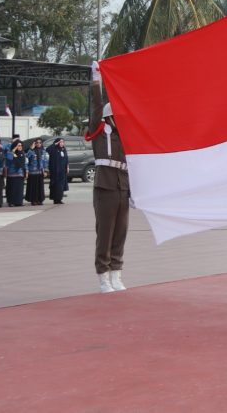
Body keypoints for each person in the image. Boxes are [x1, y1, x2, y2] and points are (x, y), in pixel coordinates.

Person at [87, 62, 130, 293]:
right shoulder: (100, 129)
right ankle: (103, 275)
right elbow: (96, 105)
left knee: (121, 232)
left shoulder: (126, 134)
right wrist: (96, 79)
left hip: (122, 185)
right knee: (105, 232)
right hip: (105, 185)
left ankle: (117, 272)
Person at [24, 138, 48, 206]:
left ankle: (40, 200)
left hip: (40, 172)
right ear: (34, 143)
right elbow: (26, 157)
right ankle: (33, 200)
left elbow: (45, 161)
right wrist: (31, 149)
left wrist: (45, 170)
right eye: (37, 142)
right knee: (33, 187)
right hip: (32, 172)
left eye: (40, 142)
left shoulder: (43, 151)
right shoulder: (31, 151)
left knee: (40, 187)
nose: (38, 144)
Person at [47, 137, 69, 204]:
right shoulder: (54, 149)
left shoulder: (63, 149)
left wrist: (67, 167)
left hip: (62, 171)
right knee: (56, 185)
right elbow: (47, 150)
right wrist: (55, 144)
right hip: (55, 171)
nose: (62, 143)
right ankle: (55, 199)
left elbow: (66, 159)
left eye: (63, 142)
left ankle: (59, 199)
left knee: (61, 186)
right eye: (60, 142)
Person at [5, 141, 27, 206]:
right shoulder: (10, 152)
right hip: (12, 173)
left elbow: (25, 164)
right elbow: (9, 159)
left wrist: (26, 172)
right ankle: (11, 202)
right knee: (12, 189)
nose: (19, 147)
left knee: (19, 189)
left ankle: (19, 202)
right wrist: (13, 150)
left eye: (20, 145)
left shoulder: (22, 153)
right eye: (18, 145)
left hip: (20, 173)